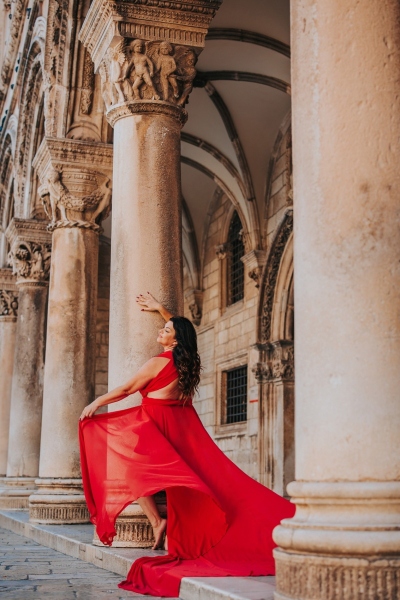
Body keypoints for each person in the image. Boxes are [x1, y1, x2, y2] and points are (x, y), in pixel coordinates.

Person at [79, 292, 295, 597]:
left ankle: (157, 521)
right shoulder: (186, 360)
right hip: (178, 428)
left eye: (166, 330)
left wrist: (96, 403)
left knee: (130, 473)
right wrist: (161, 310)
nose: (161, 330)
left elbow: (128, 388)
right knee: (201, 483)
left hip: (156, 429)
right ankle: (160, 522)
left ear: (175, 341)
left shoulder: (159, 361)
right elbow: (183, 331)